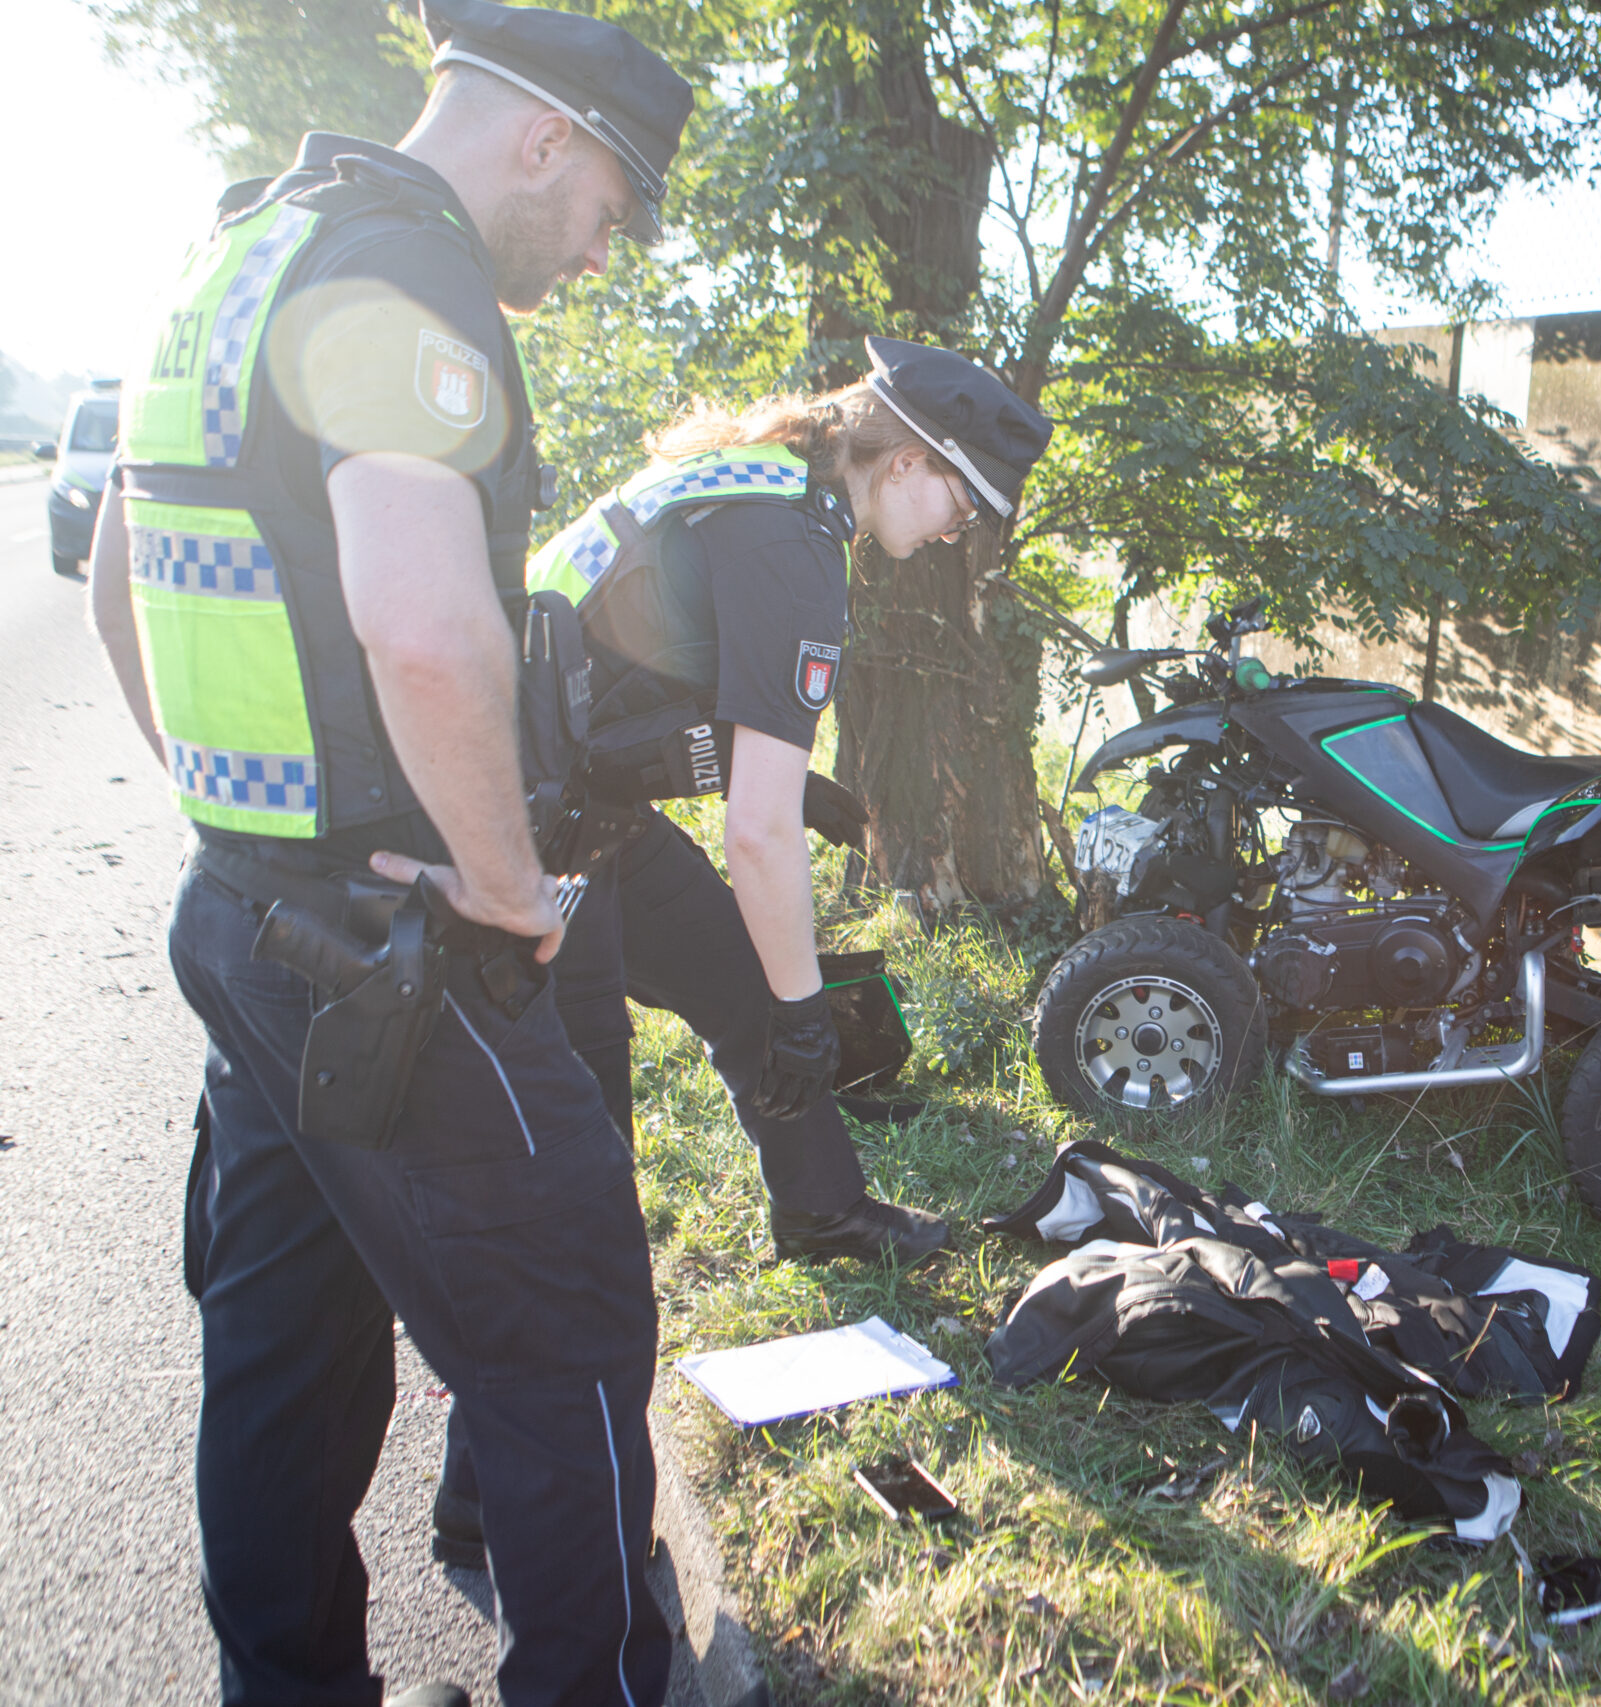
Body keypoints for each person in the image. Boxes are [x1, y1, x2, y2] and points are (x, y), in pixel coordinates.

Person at [85, 4, 693, 1703]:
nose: (598, 252)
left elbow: (117, 583)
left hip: (251, 917)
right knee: (567, 1334)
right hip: (398, 945)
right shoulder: (405, 282)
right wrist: (511, 894)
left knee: (284, 1358)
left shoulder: (235, 258)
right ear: (547, 139)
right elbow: (428, 631)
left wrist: (243, 818)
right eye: (606, 211)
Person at [426, 336, 1052, 1569]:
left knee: (744, 999)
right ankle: (496, 1511)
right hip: (533, 853)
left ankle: (819, 1211)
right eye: (961, 508)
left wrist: (790, 852)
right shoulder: (793, 544)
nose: (956, 536)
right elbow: (757, 836)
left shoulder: (756, 478)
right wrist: (809, 1002)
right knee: (580, 1194)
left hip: (580, 808)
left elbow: (639, 674)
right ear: (912, 459)